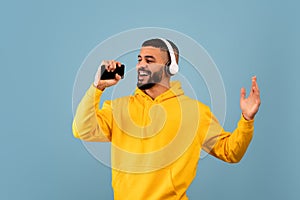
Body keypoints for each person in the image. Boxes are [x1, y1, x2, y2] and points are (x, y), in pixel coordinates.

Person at [72, 38, 261, 200]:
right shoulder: (119, 108)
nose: (140, 65)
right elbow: (82, 129)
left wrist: (246, 119)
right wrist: (97, 87)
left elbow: (231, 152)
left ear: (171, 67)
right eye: (139, 59)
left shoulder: (194, 112)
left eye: (149, 60)